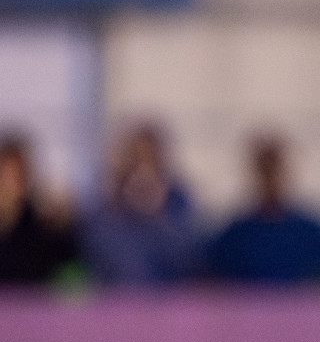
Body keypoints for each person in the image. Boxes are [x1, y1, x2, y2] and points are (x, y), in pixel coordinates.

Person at [80, 122, 203, 286]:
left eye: (150, 159)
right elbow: (96, 256)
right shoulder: (105, 207)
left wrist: (156, 214)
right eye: (136, 160)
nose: (143, 170)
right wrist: (123, 208)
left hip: (169, 303)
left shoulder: (178, 201)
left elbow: (189, 260)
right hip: (114, 303)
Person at [205, 134, 320, 285]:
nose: (270, 179)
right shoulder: (235, 235)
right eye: (265, 171)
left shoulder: (311, 232)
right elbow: (213, 283)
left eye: (275, 170)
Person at [0, 133, 78, 285]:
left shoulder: (42, 231)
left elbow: (68, 272)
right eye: (7, 174)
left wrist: (67, 227)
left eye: (20, 174)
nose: (13, 183)